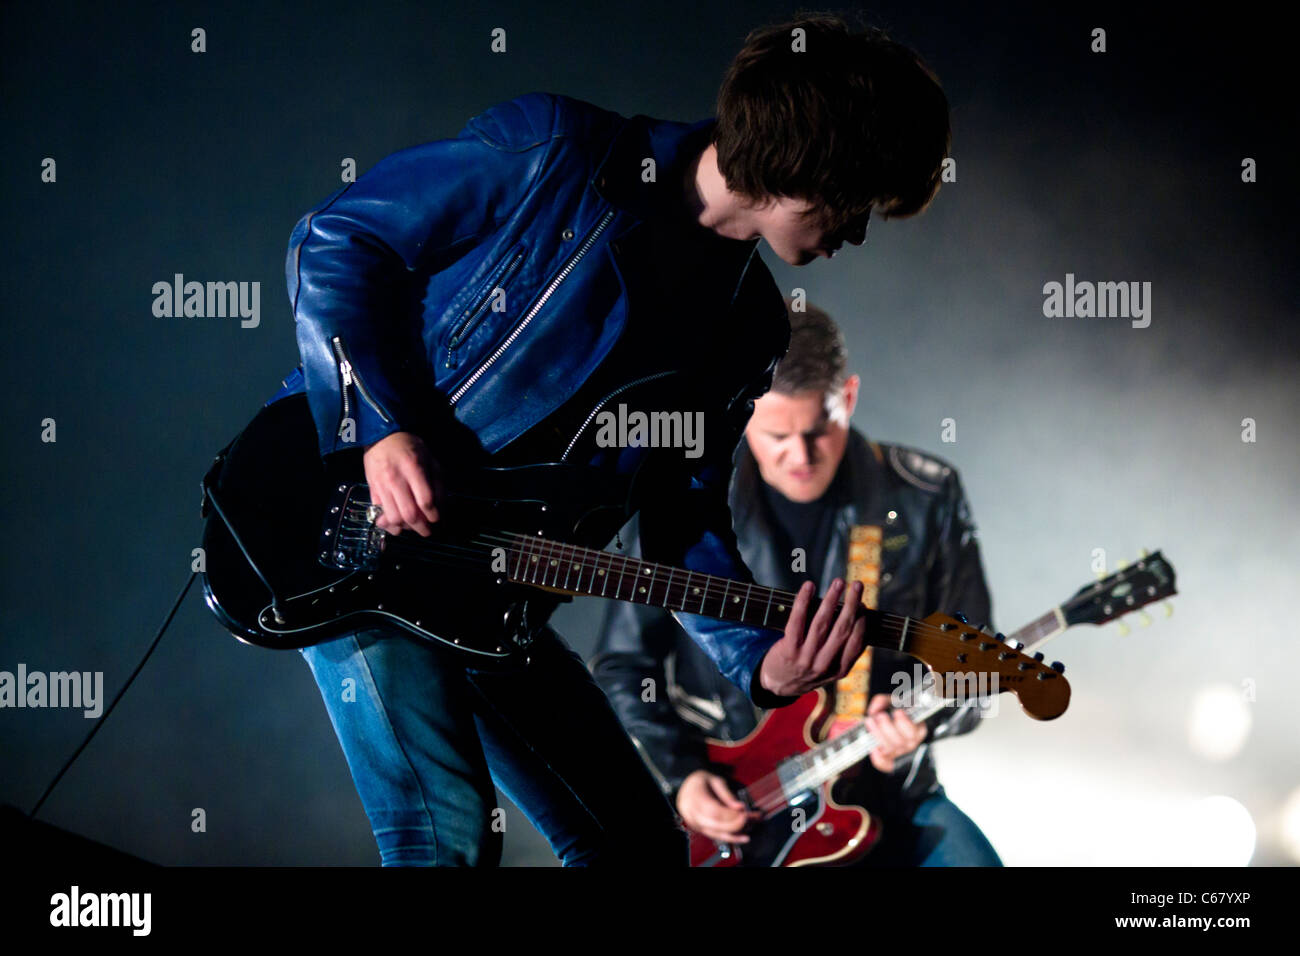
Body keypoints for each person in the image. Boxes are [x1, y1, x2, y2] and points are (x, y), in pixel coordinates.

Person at [268, 14, 952, 865]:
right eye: (860, 199)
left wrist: (763, 660)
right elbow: (338, 239)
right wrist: (379, 426)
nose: (859, 230)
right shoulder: (557, 150)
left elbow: (682, 517)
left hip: (494, 591)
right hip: (360, 535)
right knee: (443, 833)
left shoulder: (749, 330)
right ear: (805, 163)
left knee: (639, 851)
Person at [592, 302, 1003, 866]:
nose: (799, 456)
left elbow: (976, 672)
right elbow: (621, 664)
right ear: (743, 414)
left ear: (849, 397)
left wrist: (919, 725)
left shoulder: (925, 498)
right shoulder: (683, 503)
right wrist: (683, 776)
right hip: (740, 798)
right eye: (776, 434)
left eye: (819, 430)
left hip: (888, 792)